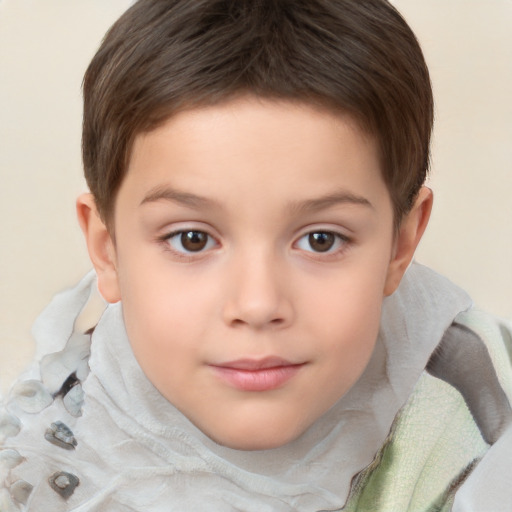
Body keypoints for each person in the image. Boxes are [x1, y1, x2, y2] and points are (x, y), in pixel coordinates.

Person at [1, 0, 511, 510]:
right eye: (192, 239)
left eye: (321, 240)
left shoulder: (483, 410)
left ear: (401, 244)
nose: (258, 302)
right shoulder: (39, 462)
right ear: (107, 251)